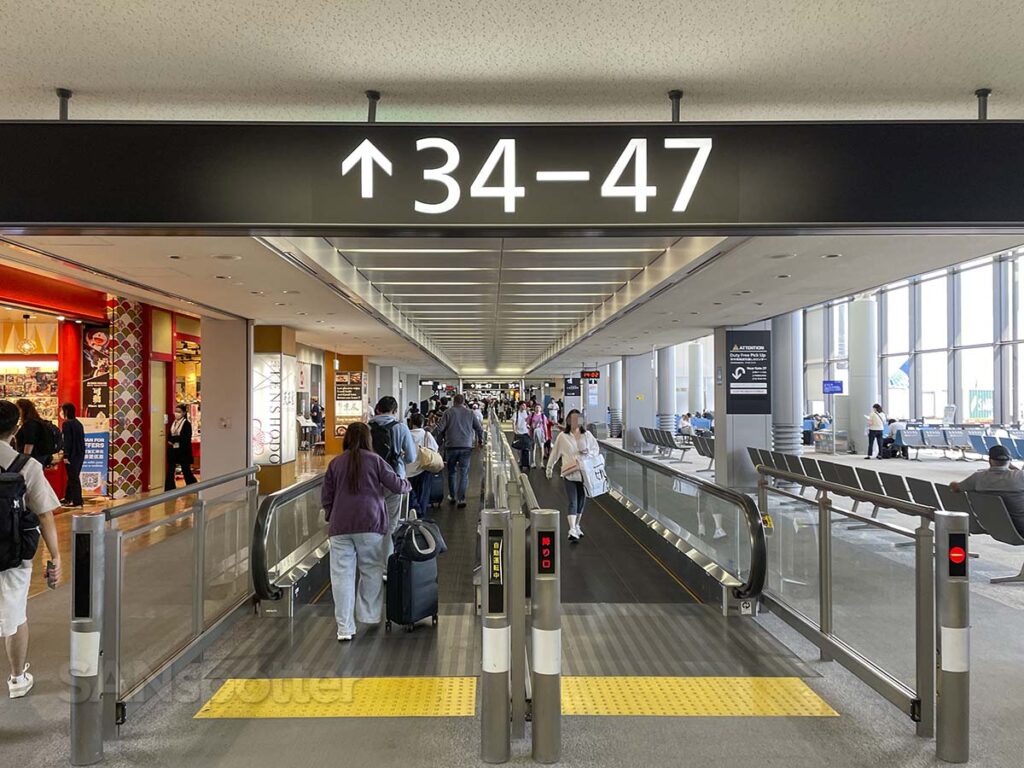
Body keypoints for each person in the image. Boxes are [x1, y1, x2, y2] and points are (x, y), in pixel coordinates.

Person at [322, 422, 411, 641]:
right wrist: (407, 485)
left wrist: (331, 515)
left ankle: (344, 628)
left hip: (340, 526)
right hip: (370, 524)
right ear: (368, 439)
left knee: (341, 577)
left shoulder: (335, 463)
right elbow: (397, 486)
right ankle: (369, 615)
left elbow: (327, 496)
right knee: (371, 570)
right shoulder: (375, 461)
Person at [0, 400, 62, 697]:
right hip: (14, 552)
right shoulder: (27, 466)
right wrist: (56, 556)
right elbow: (45, 513)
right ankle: (16, 678)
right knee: (15, 613)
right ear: (15, 430)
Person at [368, 396, 418, 561]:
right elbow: (411, 457)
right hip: (394, 478)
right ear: (395, 411)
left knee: (372, 519)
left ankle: (370, 558)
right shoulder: (401, 428)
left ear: (377, 409)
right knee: (390, 523)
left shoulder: (367, 427)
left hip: (370, 479)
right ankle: (386, 562)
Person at [546, 409, 600, 542]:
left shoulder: (587, 435)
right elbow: (555, 453)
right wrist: (549, 467)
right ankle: (571, 529)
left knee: (581, 501)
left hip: (584, 475)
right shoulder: (563, 437)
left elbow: (596, 450)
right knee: (573, 501)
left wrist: (588, 453)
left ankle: (576, 525)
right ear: (568, 421)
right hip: (569, 473)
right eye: (572, 419)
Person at [950, 444, 1024, 535]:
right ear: (1009, 461)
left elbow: (954, 488)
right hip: (1021, 527)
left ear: (989, 460)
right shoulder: (1020, 476)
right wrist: (1014, 469)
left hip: (995, 527)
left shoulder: (977, 478)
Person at [433, 394, 484, 508]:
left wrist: (431, 437)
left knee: (451, 472)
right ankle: (461, 499)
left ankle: (452, 496)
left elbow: (440, 428)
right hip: (466, 447)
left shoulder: (448, 412)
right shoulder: (470, 413)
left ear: (453, 401)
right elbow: (479, 429)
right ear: (463, 402)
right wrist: (481, 441)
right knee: (464, 473)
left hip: (451, 446)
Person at [406, 413, 439, 515]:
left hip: (408, 470)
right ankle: (420, 516)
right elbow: (435, 448)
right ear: (422, 422)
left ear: (411, 423)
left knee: (411, 494)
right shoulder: (426, 435)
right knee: (423, 495)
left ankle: (413, 510)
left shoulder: (406, 435)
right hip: (423, 468)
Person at [165, 404, 198, 490]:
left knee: (186, 470)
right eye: (176, 411)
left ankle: (193, 487)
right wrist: (170, 440)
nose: (177, 413)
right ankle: (169, 488)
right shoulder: (174, 423)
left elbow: (185, 437)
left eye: (179, 412)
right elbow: (170, 434)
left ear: (183, 413)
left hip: (183, 451)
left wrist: (174, 439)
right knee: (170, 470)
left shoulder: (186, 424)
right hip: (173, 450)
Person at [14, 399, 55, 468]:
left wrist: (24, 459)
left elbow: (29, 442)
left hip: (34, 457)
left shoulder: (29, 424)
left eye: (18, 409)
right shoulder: (37, 421)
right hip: (42, 455)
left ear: (23, 409)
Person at [60, 403, 86, 507]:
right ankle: (68, 497)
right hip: (79, 454)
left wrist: (66, 455)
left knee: (73, 478)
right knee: (72, 476)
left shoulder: (67, 424)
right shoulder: (78, 423)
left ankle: (77, 500)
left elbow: (68, 441)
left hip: (71, 455)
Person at [527, 403, 550, 470]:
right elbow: (528, 424)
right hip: (533, 433)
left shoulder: (543, 416)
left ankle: (541, 462)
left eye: (539, 407)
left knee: (541, 447)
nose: (537, 409)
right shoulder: (531, 415)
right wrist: (530, 428)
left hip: (541, 433)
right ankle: (533, 462)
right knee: (533, 447)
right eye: (536, 407)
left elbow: (545, 426)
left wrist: (546, 435)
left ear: (541, 408)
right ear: (534, 408)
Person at [513, 401, 531, 471]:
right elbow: (514, 423)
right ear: (520, 406)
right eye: (523, 405)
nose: (524, 407)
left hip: (526, 432)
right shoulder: (516, 414)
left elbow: (530, 421)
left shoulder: (527, 413)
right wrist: (514, 431)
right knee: (519, 449)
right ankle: (520, 461)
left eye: (525, 405)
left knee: (526, 448)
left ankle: (526, 463)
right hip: (518, 433)